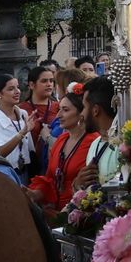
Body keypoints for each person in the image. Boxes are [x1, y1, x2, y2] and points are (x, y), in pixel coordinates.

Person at [29, 83, 97, 217]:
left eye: (65, 110)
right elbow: (50, 178)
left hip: (80, 214)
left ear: (81, 113)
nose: (58, 115)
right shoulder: (61, 139)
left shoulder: (93, 142)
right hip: (55, 214)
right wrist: (35, 194)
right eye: (59, 109)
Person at [0, 73, 39, 175]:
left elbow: (30, 148)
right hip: (5, 174)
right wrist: (21, 134)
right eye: (11, 89)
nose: (17, 91)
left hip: (25, 171)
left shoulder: (23, 114)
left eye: (17, 87)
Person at [76, 75, 123, 189]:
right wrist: (78, 185)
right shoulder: (95, 143)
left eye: (83, 107)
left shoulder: (123, 145)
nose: (81, 114)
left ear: (95, 110)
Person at [21, 64, 59, 175]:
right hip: (30, 165)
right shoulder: (21, 109)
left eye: (51, 81)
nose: (49, 84)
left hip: (53, 162)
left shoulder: (60, 107)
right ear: (32, 85)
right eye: (44, 81)